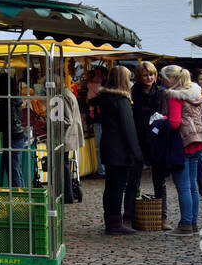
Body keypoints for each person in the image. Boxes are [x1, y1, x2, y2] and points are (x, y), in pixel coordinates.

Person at [90, 65, 141, 235]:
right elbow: (129, 129)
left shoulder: (104, 98)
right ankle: (115, 224)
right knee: (117, 187)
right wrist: (137, 153)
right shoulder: (121, 101)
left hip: (109, 146)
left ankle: (110, 220)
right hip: (120, 150)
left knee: (110, 187)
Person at [161, 64, 202, 234]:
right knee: (193, 185)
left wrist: (162, 120)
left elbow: (174, 123)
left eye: (164, 77)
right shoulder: (195, 91)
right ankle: (193, 222)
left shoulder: (174, 96)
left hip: (183, 143)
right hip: (198, 140)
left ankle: (185, 223)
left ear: (172, 79)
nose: (162, 81)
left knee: (184, 186)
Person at [131, 61, 170, 230]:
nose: (149, 78)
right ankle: (131, 216)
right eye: (146, 75)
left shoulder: (161, 93)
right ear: (139, 76)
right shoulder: (133, 93)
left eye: (152, 74)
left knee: (159, 180)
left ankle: (162, 218)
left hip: (157, 140)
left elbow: (164, 114)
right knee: (134, 179)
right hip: (138, 139)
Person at [57, 62, 85, 204]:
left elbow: (66, 119)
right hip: (70, 134)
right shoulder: (66, 93)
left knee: (64, 165)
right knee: (65, 164)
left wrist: (51, 123)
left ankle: (67, 195)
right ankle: (66, 195)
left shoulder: (62, 96)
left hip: (67, 135)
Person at [85, 65, 108, 177]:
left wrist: (92, 101)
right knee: (100, 145)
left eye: (100, 73)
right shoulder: (103, 87)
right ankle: (102, 169)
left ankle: (103, 169)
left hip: (101, 118)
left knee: (101, 145)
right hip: (99, 118)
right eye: (96, 73)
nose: (98, 75)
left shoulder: (104, 87)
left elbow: (91, 101)